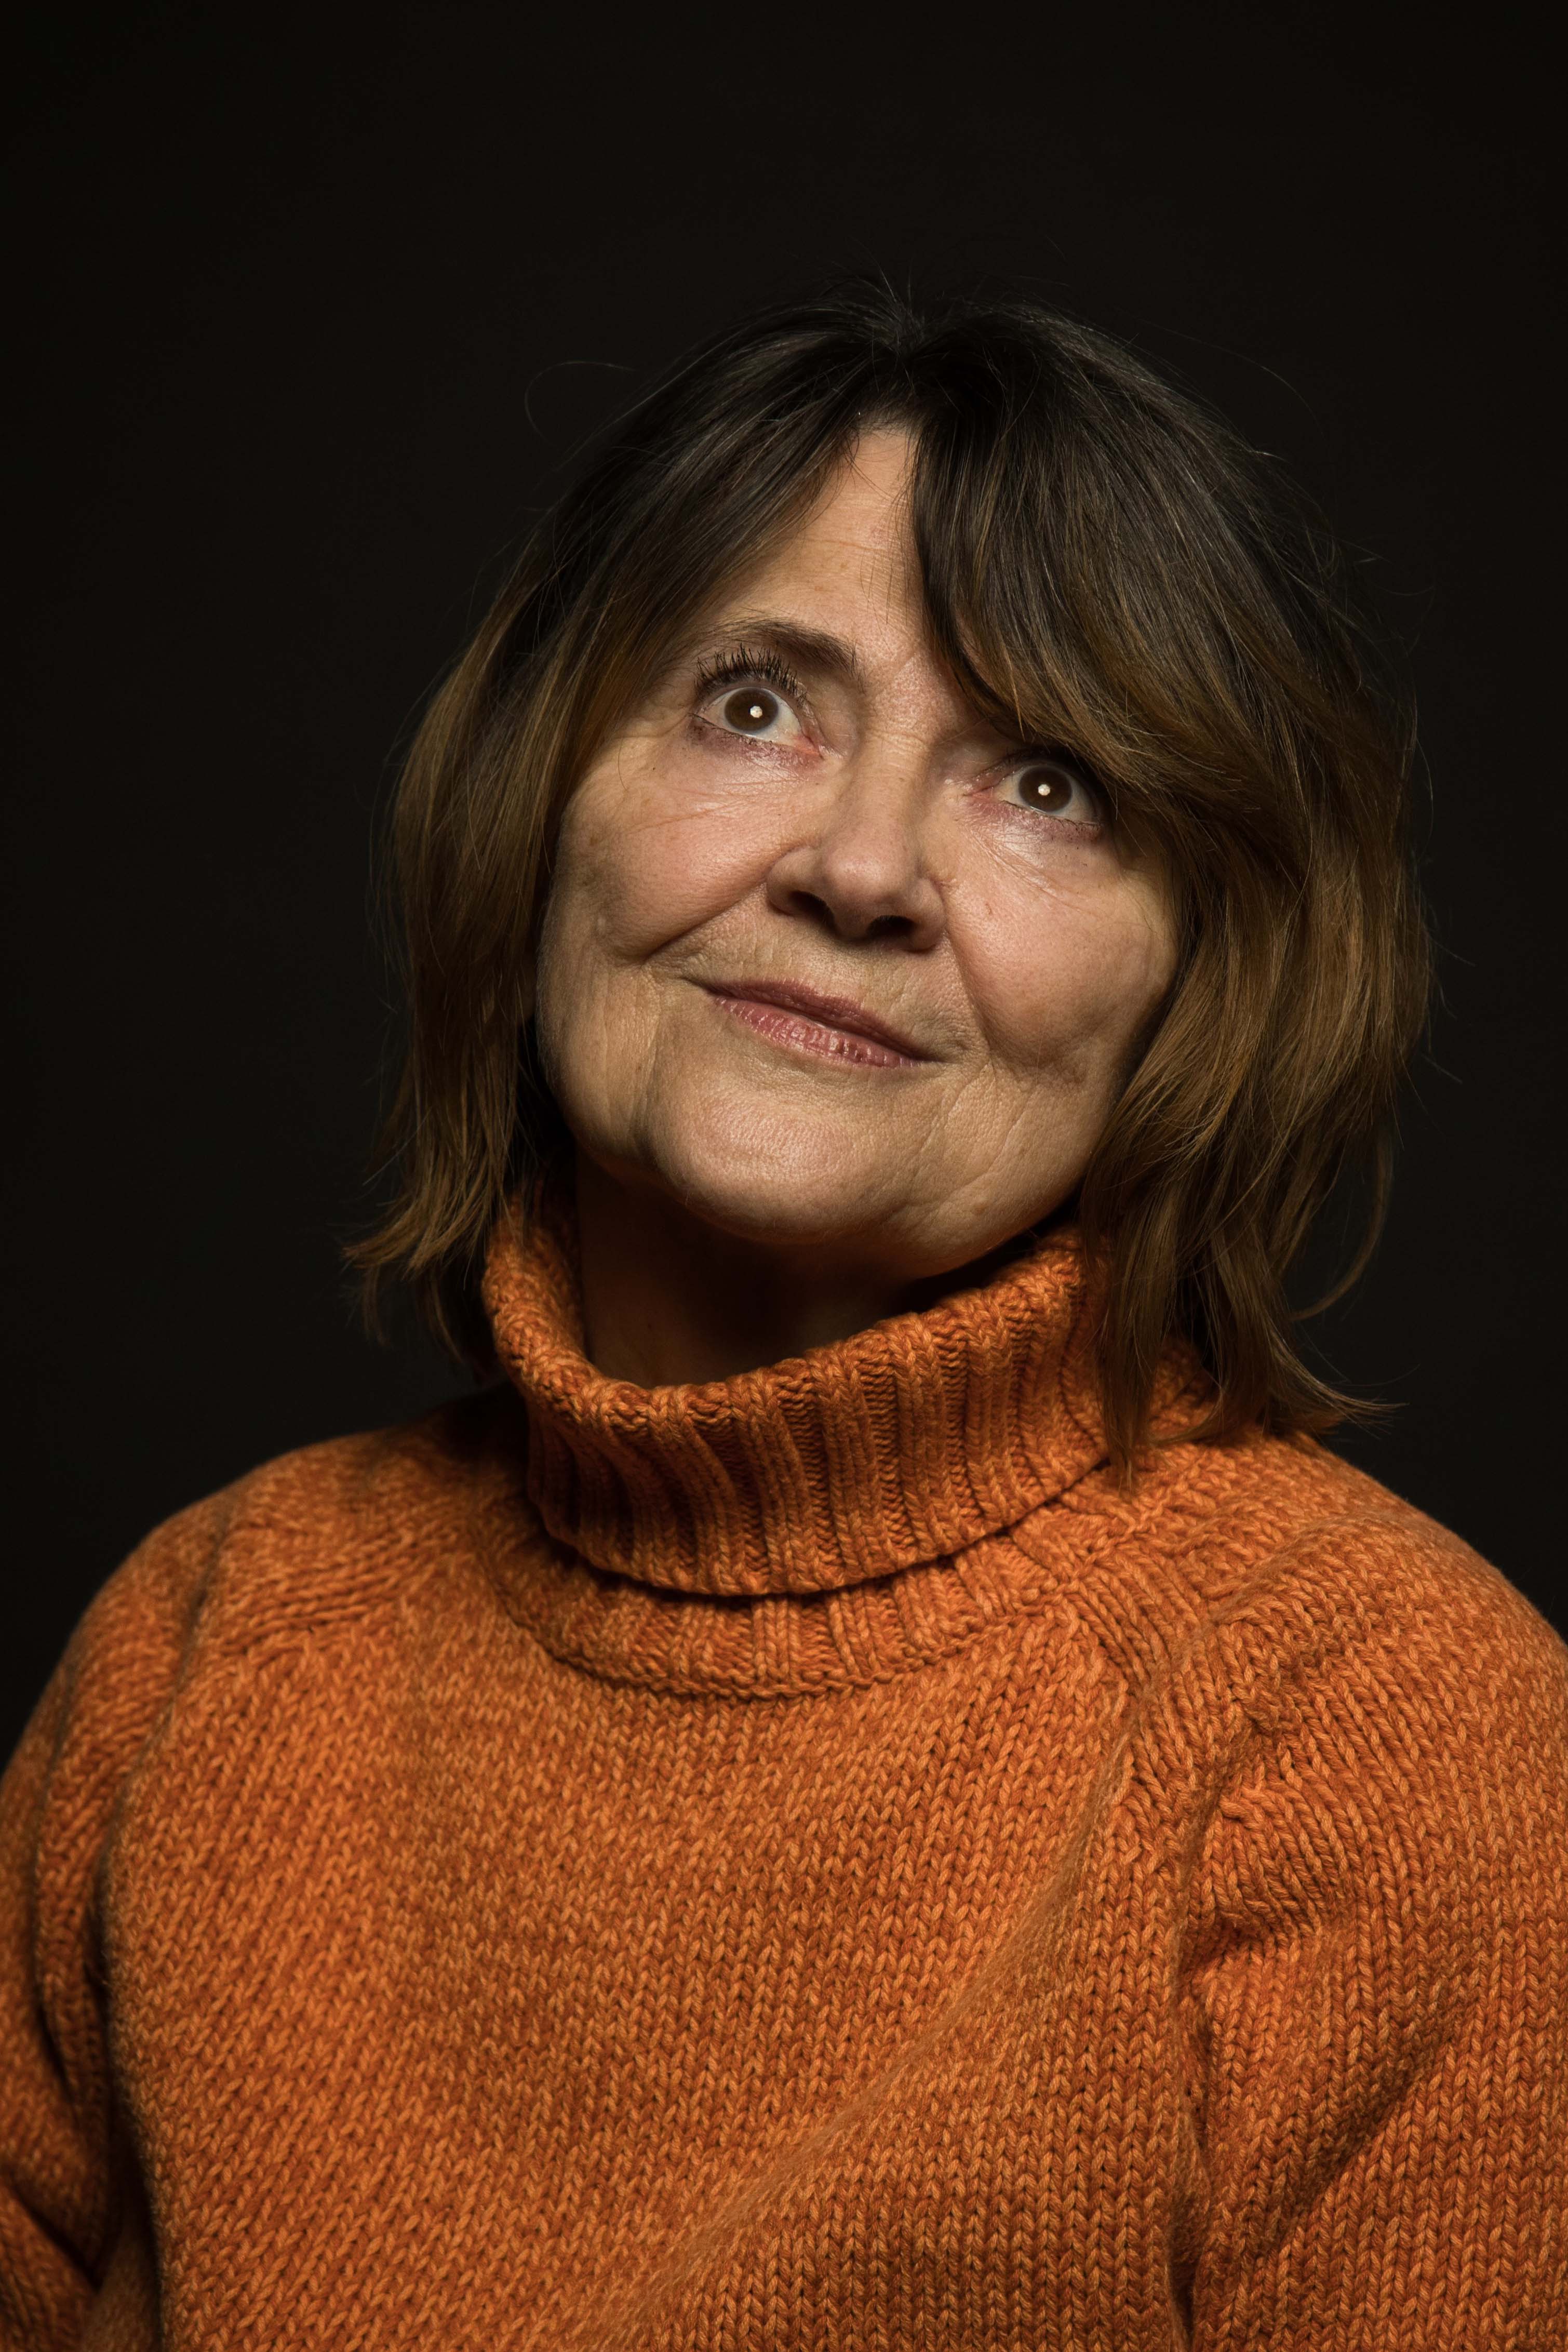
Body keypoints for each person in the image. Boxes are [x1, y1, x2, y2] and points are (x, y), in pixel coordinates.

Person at [3, 286, 1564, 2350]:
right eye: (754, 706)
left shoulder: (1398, 1738)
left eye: (1050, 785)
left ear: (1206, 979)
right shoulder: (202, 1650)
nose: (859, 866)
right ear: (542, 793)